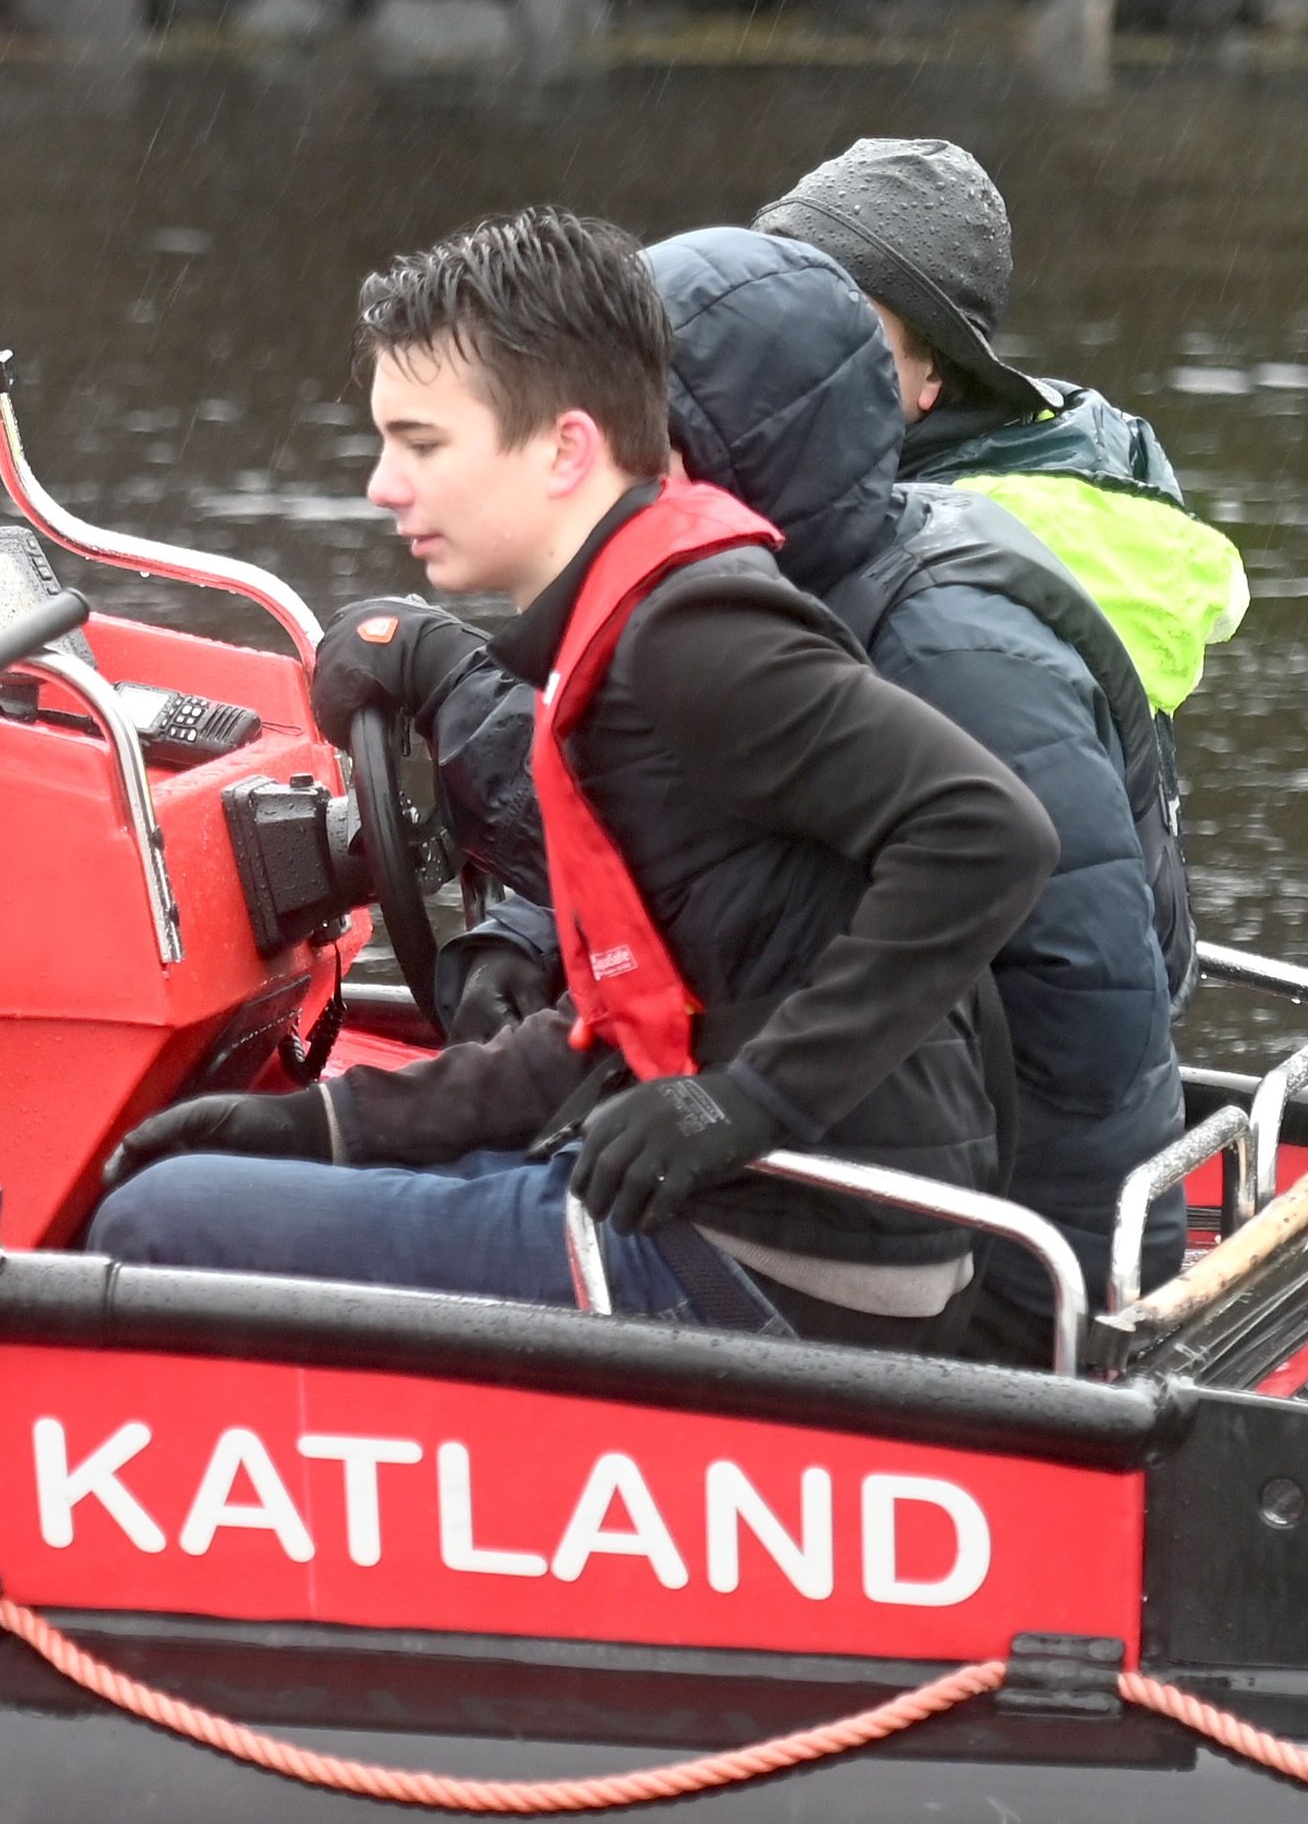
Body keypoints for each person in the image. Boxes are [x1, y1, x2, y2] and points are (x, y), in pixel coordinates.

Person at [95, 208, 1051, 1347]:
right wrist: (322, 1128)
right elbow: (622, 1028)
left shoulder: (690, 638)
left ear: (564, 449)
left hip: (790, 1254)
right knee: (213, 1178)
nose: (380, 486)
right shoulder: (628, 625)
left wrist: (748, 1104)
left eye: (422, 444)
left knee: (157, 1225)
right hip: (800, 1222)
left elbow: (988, 831)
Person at [334, 226, 1195, 1328]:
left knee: (184, 1218)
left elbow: (1081, 1033)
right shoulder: (763, 595)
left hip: (988, 1255)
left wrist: (1033, 1352)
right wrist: (531, 940)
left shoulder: (948, 652)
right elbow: (691, 840)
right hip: (857, 1174)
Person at [759, 135, 1251, 711]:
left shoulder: (959, 621)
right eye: (773, 294)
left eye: (845, 322)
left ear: (935, 374)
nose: (788, 343)